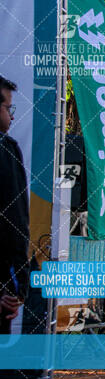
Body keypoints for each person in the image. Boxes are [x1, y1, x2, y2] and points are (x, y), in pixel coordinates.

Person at [0, 76, 29, 334]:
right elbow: (15, 218)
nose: (11, 116)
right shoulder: (5, 150)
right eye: (8, 108)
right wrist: (20, 278)